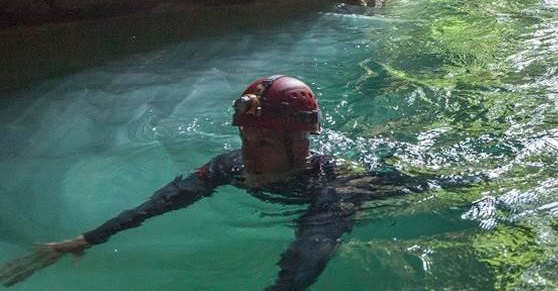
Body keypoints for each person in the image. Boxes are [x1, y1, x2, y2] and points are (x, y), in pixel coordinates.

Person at [0, 76, 443, 290]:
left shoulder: (334, 190)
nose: (249, 153)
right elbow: (165, 201)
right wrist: (89, 238)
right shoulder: (230, 166)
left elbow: (306, 258)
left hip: (390, 185)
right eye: (245, 137)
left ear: (300, 142)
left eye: (264, 141)